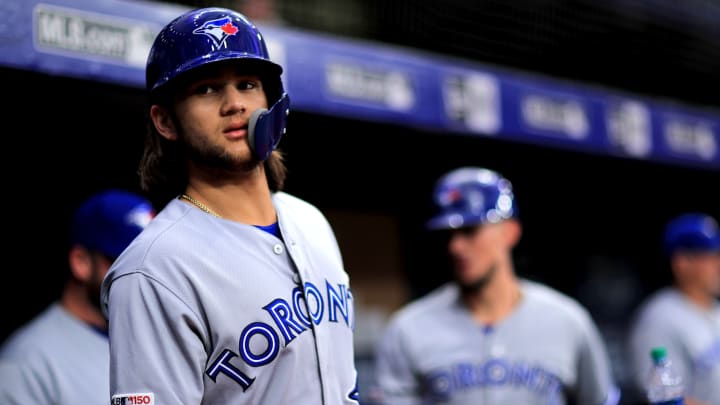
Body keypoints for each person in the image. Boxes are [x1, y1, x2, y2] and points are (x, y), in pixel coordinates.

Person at [99, 7, 359, 404]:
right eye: (206, 88)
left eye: (248, 84)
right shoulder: (153, 270)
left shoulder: (310, 221)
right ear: (165, 120)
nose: (234, 104)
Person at [373, 166, 620, 405]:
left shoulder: (568, 321)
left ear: (510, 232)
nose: (455, 247)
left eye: (470, 231)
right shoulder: (407, 329)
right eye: (448, 235)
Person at [0, 189, 155, 404]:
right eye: (124, 263)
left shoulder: (154, 337)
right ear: (81, 262)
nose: (140, 276)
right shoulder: (25, 365)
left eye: (151, 264)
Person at [627, 212, 720, 405]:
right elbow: (664, 399)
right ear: (682, 263)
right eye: (709, 257)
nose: (718, 265)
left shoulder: (716, 310)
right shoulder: (658, 319)